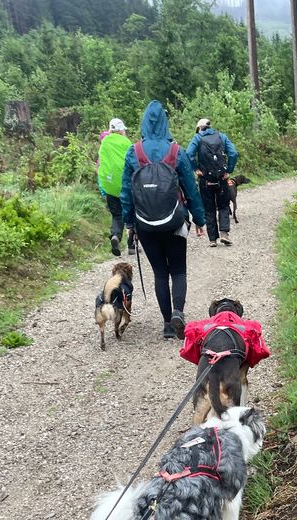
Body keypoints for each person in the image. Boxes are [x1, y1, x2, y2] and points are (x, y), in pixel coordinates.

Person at [121, 100, 207, 340]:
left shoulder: (134, 151)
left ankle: (168, 325)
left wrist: (129, 223)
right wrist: (199, 219)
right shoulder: (176, 152)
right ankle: (179, 311)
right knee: (178, 271)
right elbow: (191, 189)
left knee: (160, 273)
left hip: (145, 224)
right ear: (165, 123)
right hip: (174, 222)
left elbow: (126, 192)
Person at [187, 118, 239, 248]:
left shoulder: (197, 138)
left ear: (199, 128)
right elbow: (233, 153)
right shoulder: (221, 136)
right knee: (223, 206)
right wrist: (229, 170)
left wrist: (196, 169)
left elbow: (188, 154)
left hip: (205, 178)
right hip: (221, 177)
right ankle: (224, 233)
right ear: (210, 127)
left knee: (209, 208)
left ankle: (212, 239)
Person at [97, 118, 136, 256]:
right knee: (131, 213)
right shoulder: (126, 142)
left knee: (117, 215)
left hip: (109, 185)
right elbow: (133, 161)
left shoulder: (105, 142)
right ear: (121, 130)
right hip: (126, 185)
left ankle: (115, 236)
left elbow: (100, 162)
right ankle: (132, 245)